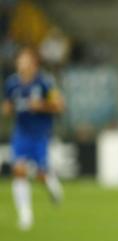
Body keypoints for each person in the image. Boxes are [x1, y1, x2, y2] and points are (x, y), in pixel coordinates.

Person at [2, 47, 64, 231]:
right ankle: (25, 214)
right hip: (21, 133)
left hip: (40, 135)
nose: (22, 64)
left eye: (25, 60)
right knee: (19, 170)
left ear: (34, 63)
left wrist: (42, 105)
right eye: (20, 60)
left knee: (40, 174)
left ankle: (51, 182)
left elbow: (59, 105)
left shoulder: (44, 82)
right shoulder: (12, 83)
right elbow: (7, 106)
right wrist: (7, 109)